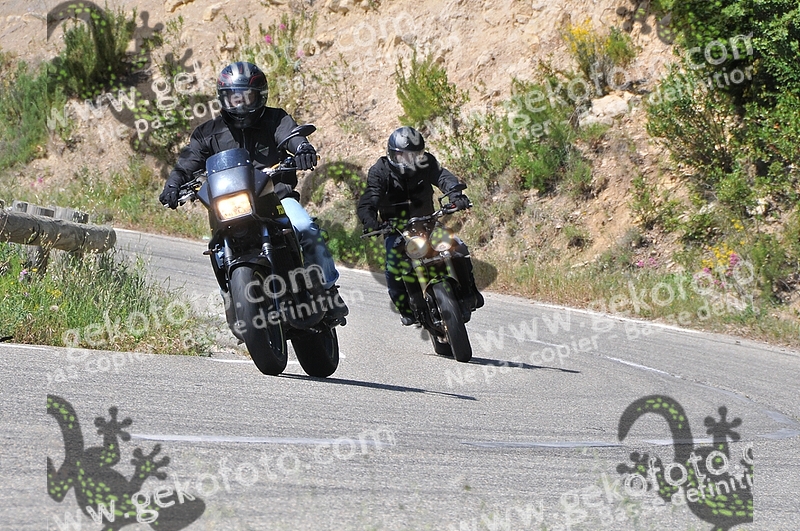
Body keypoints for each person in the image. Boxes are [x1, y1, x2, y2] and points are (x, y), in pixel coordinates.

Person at [159, 61, 348, 323]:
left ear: (260, 96)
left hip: (275, 198)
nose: (240, 104)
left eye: (246, 97)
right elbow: (188, 162)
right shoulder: (207, 133)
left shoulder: (275, 119)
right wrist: (173, 184)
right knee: (216, 249)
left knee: (306, 229)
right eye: (233, 97)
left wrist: (303, 148)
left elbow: (292, 136)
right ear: (223, 98)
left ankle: (329, 290)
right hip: (229, 203)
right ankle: (233, 298)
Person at [357, 126, 483, 326]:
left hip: (428, 222)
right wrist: (370, 220)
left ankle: (469, 294)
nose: (408, 160)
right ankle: (406, 308)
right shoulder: (379, 171)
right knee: (393, 265)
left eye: (413, 155)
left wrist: (455, 195)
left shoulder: (427, 163)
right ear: (392, 154)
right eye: (402, 156)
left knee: (458, 247)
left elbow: (443, 177)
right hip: (396, 229)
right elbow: (370, 197)